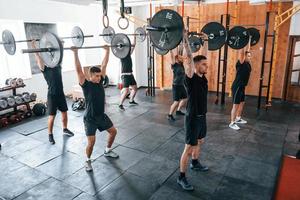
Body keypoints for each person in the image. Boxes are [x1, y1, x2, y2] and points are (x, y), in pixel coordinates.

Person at [71, 46, 119, 172]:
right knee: (91, 142)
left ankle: (107, 150)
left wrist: (108, 51)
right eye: (96, 76)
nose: (99, 78)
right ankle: (87, 160)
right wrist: (75, 53)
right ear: (90, 75)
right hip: (90, 118)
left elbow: (104, 64)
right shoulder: (86, 85)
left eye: (99, 76)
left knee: (113, 132)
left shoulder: (100, 81)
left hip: (101, 116)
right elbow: (78, 70)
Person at [177, 32, 209, 191]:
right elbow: (189, 57)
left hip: (202, 116)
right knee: (188, 148)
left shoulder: (203, 77)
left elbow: (205, 56)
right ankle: (181, 177)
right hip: (192, 118)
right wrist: (184, 38)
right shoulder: (190, 77)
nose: (206, 67)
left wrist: (206, 41)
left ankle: (195, 163)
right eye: (203, 65)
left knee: (200, 141)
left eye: (206, 65)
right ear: (196, 66)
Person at [32, 41, 74, 145]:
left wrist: (62, 45)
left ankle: (65, 129)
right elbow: (38, 57)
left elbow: (60, 55)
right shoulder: (44, 69)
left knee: (65, 113)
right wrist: (34, 47)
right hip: (52, 95)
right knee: (52, 116)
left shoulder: (58, 66)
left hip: (60, 94)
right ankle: (50, 135)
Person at [229, 40, 252, 130]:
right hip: (237, 86)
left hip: (242, 86)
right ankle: (232, 122)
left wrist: (248, 39)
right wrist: (243, 41)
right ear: (244, 57)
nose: (250, 57)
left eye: (250, 56)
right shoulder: (241, 63)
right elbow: (242, 52)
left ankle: (238, 118)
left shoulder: (247, 63)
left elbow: (248, 49)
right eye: (248, 56)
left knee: (242, 103)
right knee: (236, 105)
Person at [167, 49, 187, 121]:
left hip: (181, 85)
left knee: (185, 98)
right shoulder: (174, 65)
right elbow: (172, 57)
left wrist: (185, 46)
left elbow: (185, 56)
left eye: (181, 57)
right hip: (176, 86)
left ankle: (178, 111)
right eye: (180, 57)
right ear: (176, 59)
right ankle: (169, 115)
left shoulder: (182, 65)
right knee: (176, 101)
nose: (182, 58)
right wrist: (170, 49)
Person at [118, 36, 138, 111]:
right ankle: (120, 104)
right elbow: (118, 48)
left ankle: (131, 100)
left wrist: (135, 37)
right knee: (126, 91)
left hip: (130, 74)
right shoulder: (122, 56)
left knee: (135, 88)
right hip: (125, 75)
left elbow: (133, 45)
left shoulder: (129, 54)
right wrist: (121, 45)